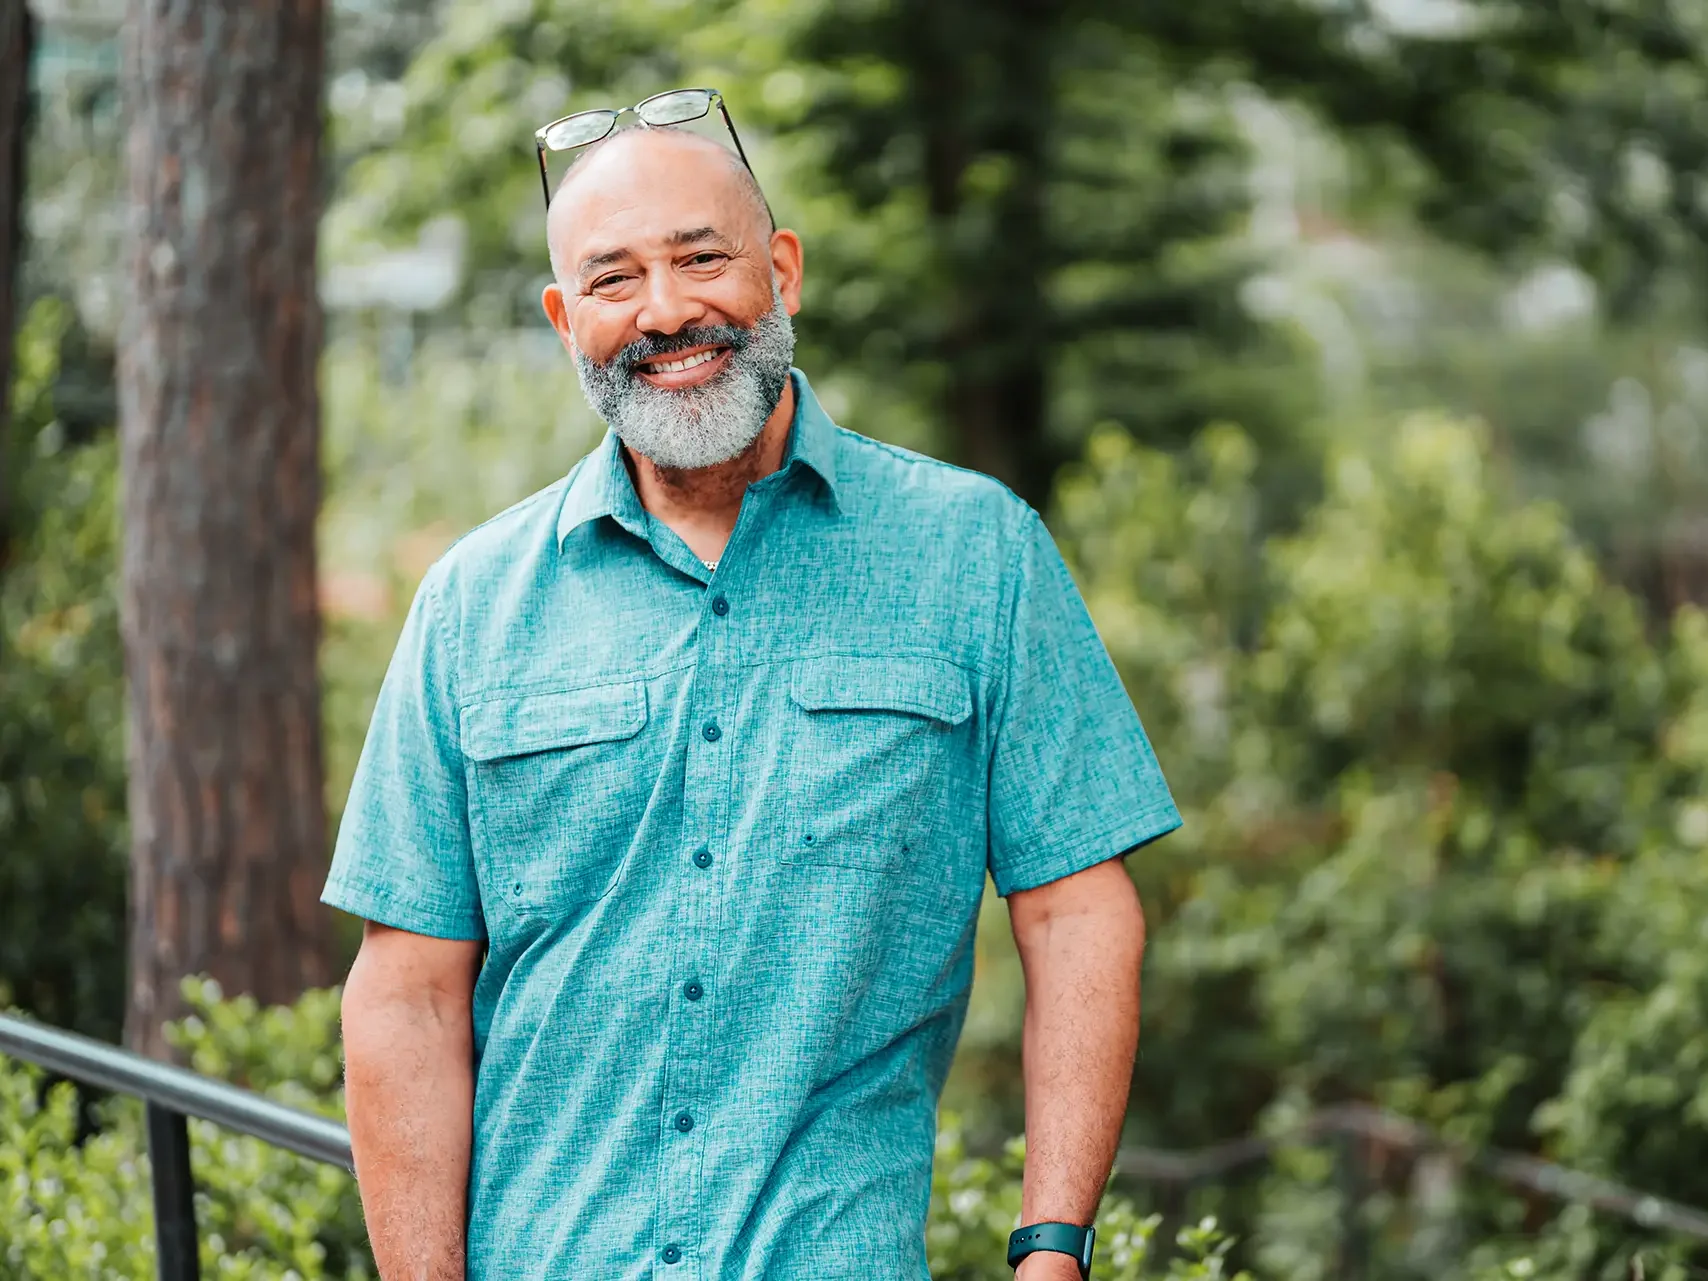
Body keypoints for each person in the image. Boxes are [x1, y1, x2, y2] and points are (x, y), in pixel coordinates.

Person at [323, 110, 1180, 1281]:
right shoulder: (472, 604)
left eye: (700, 257)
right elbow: (407, 993)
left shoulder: (975, 553)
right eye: (613, 279)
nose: (666, 310)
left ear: (780, 270)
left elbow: (1077, 910)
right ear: (565, 321)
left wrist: (1049, 1250)